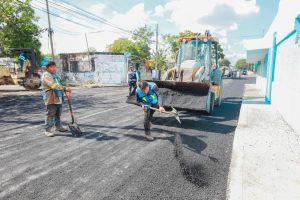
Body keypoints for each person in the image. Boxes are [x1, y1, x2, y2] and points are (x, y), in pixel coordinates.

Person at [41, 61, 71, 137]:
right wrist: (64, 88)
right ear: (47, 68)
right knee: (50, 114)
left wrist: (65, 90)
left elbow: (59, 84)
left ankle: (58, 127)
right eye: (52, 67)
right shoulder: (46, 75)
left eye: (54, 67)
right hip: (51, 98)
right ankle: (47, 130)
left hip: (58, 97)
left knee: (58, 114)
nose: (54, 68)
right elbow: (53, 85)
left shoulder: (55, 75)